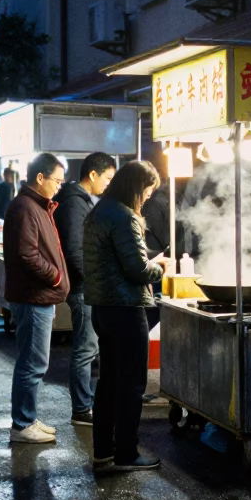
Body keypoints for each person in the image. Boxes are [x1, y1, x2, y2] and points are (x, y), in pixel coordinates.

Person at [82, 160, 173, 472]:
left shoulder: (99, 212)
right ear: (136, 187)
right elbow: (136, 269)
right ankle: (126, 453)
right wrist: (160, 267)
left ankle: (103, 452)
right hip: (125, 309)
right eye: (147, 191)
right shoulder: (124, 216)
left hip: (103, 309)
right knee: (132, 383)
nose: (147, 197)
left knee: (109, 382)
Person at [5, 154, 71, 444]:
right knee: (32, 364)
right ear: (40, 178)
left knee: (33, 362)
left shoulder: (36, 206)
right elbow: (27, 254)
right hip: (33, 296)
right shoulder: (25, 207)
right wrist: (55, 276)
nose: (59, 186)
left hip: (39, 296)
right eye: (56, 180)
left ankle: (28, 417)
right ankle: (22, 424)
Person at [53, 152, 117, 427]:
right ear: (93, 174)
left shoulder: (80, 201)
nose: (108, 183)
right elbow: (75, 250)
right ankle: (81, 408)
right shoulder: (74, 204)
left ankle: (87, 403)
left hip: (88, 285)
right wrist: (92, 281)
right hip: (83, 287)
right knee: (85, 349)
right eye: (108, 177)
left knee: (90, 348)